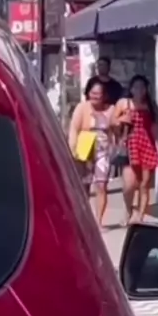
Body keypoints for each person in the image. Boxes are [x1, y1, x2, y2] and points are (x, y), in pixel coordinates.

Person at [113, 75, 158, 224]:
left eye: (142, 87)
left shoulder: (151, 106)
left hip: (147, 145)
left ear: (146, 89)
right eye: (136, 87)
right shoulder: (124, 103)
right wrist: (121, 119)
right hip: (130, 145)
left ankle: (140, 217)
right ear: (131, 89)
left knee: (144, 184)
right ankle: (128, 210)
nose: (139, 90)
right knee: (129, 185)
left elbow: (155, 128)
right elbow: (112, 122)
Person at [68, 81, 116, 227]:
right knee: (84, 186)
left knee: (101, 185)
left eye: (98, 94)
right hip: (84, 147)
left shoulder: (111, 109)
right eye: (92, 93)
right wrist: (73, 149)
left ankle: (98, 221)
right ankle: (83, 218)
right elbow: (74, 129)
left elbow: (116, 129)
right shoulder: (82, 107)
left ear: (104, 95)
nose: (95, 96)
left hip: (103, 150)